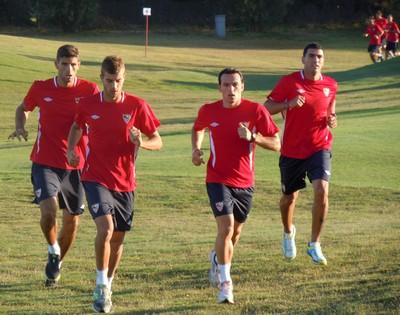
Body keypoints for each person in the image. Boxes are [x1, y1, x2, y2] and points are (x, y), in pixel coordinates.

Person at [67, 55, 162, 313]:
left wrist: (141, 142)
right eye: (109, 81)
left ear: (124, 79)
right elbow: (77, 127)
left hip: (125, 182)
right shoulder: (88, 104)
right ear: (102, 78)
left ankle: (107, 285)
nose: (113, 86)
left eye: (118, 81)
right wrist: (71, 149)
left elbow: (157, 140)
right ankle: (99, 284)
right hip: (95, 177)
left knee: (118, 240)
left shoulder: (137, 106)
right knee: (106, 229)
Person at [8, 45, 99, 286]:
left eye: (73, 65)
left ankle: (57, 261)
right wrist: (20, 126)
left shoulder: (90, 90)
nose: (69, 70)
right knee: (48, 212)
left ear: (79, 66)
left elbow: (99, 119)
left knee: (72, 222)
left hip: (77, 166)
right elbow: (23, 108)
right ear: (56, 64)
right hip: (44, 162)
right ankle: (52, 248)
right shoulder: (40, 87)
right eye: (65, 64)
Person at [192, 68, 280, 304]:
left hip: (245, 182)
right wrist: (196, 149)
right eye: (226, 85)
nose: (231, 90)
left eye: (235, 85)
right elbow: (198, 128)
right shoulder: (208, 110)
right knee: (226, 227)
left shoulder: (256, 110)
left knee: (235, 233)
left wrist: (253, 137)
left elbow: (276, 143)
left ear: (242, 86)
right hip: (217, 178)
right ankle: (225, 283)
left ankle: (216, 258)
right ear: (219, 87)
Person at [265, 43, 338, 266]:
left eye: (320, 57)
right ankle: (288, 232)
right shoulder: (289, 82)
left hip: (320, 146)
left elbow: (330, 111)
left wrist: (333, 119)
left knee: (322, 189)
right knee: (289, 197)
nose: (316, 60)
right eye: (312, 56)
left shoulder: (331, 85)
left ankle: (314, 243)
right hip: (292, 150)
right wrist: (288, 103)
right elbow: (266, 107)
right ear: (303, 59)